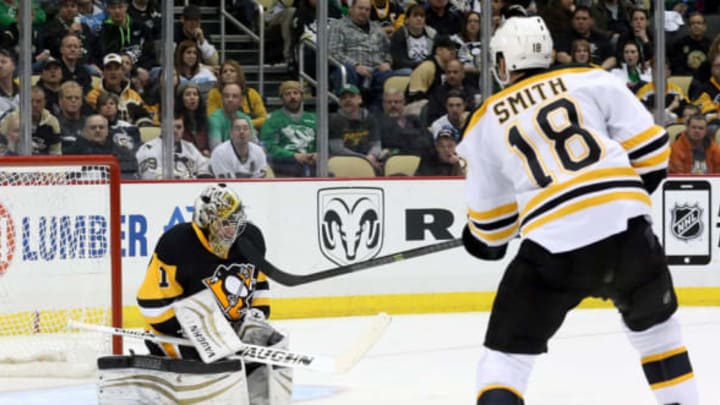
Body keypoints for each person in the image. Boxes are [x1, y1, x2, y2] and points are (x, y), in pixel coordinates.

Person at [458, 16, 699, 405]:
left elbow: (492, 232)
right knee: (660, 338)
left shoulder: (485, 119)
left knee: (506, 360)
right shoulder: (591, 78)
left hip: (554, 249)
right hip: (629, 232)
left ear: (503, 63)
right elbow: (654, 156)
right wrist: (613, 198)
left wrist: (476, 240)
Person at [136, 183, 292, 404]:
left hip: (228, 333)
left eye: (237, 219)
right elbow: (151, 305)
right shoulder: (176, 245)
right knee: (215, 374)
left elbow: (258, 281)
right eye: (225, 223)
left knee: (268, 353)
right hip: (176, 334)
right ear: (205, 220)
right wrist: (200, 335)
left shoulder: (251, 238)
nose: (233, 229)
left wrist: (256, 316)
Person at [260, 81, 318, 177]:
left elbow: (322, 143)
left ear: (301, 96)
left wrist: (317, 154)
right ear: (281, 98)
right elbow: (269, 146)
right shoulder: (272, 119)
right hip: (284, 165)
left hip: (313, 164)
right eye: (288, 94)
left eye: (296, 93)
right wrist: (293, 156)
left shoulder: (314, 118)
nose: (292, 97)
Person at [328, 84, 384, 173]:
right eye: (344, 98)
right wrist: (364, 159)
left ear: (359, 99)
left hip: (368, 160)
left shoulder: (370, 118)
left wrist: (372, 156)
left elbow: (376, 145)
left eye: (351, 97)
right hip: (343, 162)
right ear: (340, 102)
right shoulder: (333, 120)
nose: (347, 100)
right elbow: (337, 149)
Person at [135, 115, 210, 179]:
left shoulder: (190, 148)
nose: (175, 131)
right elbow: (151, 177)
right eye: (170, 127)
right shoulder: (148, 149)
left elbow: (205, 172)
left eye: (179, 127)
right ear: (162, 128)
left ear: (183, 129)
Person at [64, 114, 138, 178]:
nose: (97, 130)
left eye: (101, 127)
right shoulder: (72, 152)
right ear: (84, 131)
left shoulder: (120, 149)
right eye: (93, 127)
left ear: (107, 131)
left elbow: (131, 168)